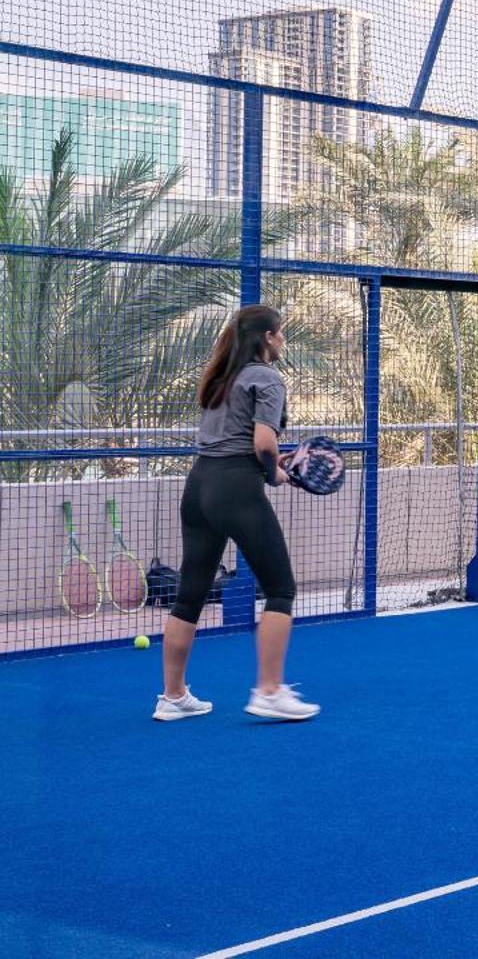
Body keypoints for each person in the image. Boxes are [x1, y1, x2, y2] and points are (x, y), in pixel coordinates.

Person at [154, 305, 319, 722]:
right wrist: (273, 472)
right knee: (281, 589)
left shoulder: (223, 379)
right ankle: (268, 691)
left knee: (190, 594)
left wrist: (269, 464)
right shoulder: (266, 377)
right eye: (281, 333)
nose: (283, 340)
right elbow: (262, 443)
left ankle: (172, 697)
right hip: (235, 491)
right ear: (267, 337)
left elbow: (238, 441)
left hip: (199, 488)